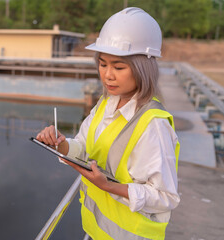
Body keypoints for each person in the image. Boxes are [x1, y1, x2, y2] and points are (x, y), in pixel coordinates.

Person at [36, 7, 180, 240]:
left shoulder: (153, 125)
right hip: (96, 232)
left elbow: (166, 197)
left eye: (119, 67)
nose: (107, 75)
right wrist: (59, 144)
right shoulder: (105, 104)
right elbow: (83, 147)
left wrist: (110, 186)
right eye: (102, 64)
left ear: (144, 68)